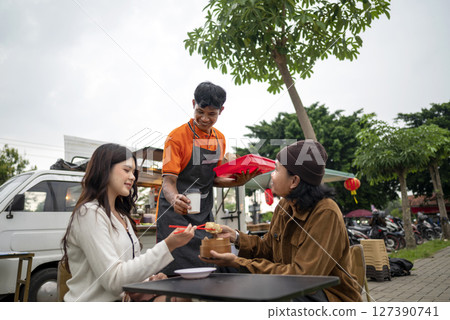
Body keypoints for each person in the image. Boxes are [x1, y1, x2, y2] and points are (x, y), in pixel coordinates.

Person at [200, 140, 362, 302]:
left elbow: (304, 277)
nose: (271, 174)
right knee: (226, 269)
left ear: (294, 181)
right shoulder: (285, 205)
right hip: (288, 284)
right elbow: (268, 249)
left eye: (277, 170)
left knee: (287, 295)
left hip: (325, 294)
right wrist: (236, 237)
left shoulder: (326, 213)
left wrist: (239, 262)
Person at [61, 143, 195, 302]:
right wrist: (168, 245)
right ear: (105, 170)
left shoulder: (121, 216)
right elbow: (114, 281)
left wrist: (148, 279)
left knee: (183, 298)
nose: (132, 177)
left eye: (133, 172)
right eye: (126, 170)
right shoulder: (90, 214)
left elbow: (127, 269)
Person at [156, 81, 259, 275]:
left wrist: (238, 182)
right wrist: (174, 198)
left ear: (221, 110)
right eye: (200, 111)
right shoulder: (175, 138)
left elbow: (213, 179)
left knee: (207, 268)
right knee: (174, 274)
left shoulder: (219, 138)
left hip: (203, 215)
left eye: (212, 114)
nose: (204, 118)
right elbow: (168, 182)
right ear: (193, 103)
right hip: (174, 215)